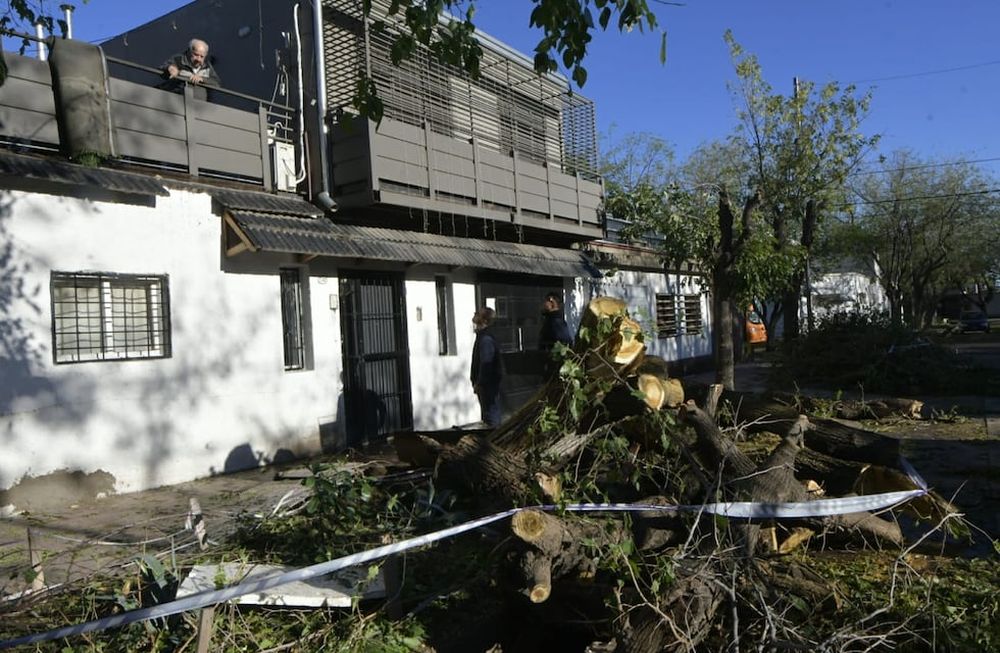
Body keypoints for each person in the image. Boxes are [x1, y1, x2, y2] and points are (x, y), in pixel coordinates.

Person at [470, 307, 503, 427]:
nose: (474, 314)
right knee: (488, 413)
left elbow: (486, 364)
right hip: (486, 385)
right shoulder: (482, 337)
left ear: (484, 320)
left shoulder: (486, 339)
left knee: (491, 415)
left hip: (488, 386)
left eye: (477, 313)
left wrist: (480, 383)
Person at [538, 291, 572, 377]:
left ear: (552, 302)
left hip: (555, 369)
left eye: (545, 302)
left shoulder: (556, 323)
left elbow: (565, 344)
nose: (542, 305)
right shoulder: (551, 321)